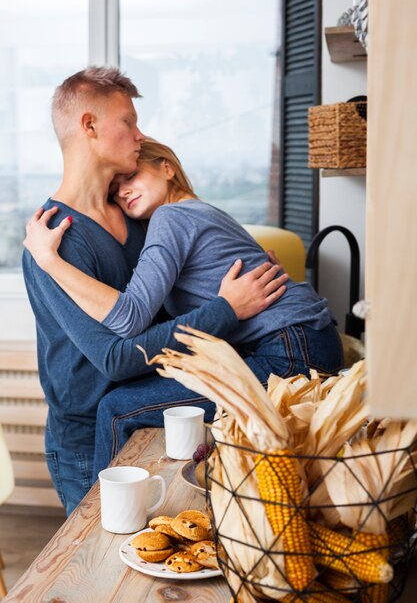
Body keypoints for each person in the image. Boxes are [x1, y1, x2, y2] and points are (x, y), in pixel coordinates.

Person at [22, 67, 288, 516]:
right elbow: (117, 357)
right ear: (90, 126)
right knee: (97, 570)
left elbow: (171, 298)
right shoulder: (51, 241)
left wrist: (245, 268)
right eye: (128, 121)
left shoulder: (141, 215)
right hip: (89, 437)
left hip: (156, 410)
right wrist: (228, 309)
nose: (139, 133)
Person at [24, 137, 344, 480]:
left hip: (290, 352)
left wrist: (49, 260)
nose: (122, 193)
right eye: (115, 191)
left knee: (116, 409)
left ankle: (104, 521)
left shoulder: (170, 217)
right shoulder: (201, 213)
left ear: (167, 167)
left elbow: (129, 315)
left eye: (130, 178)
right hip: (306, 342)